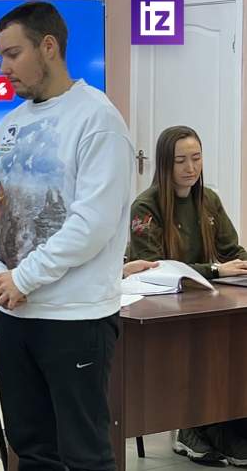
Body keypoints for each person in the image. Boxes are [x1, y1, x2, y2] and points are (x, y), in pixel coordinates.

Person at [0, 1, 134, 470]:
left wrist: (24, 278)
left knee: (85, 454)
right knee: (31, 450)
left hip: (75, 318)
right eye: (1, 56)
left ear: (48, 47)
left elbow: (92, 224)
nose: (4, 68)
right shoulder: (10, 124)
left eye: (13, 54)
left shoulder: (98, 119)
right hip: (14, 313)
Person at [129, 125, 247, 467]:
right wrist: (215, 270)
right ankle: (193, 426)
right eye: (180, 160)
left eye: (196, 158)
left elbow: (232, 251)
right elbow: (153, 268)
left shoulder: (208, 200)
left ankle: (229, 425)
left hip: (209, 302)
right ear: (165, 163)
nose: (190, 168)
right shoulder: (146, 206)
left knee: (235, 343)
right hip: (162, 309)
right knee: (202, 349)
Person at [0, 204, 157, 333]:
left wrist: (119, 272)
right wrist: (26, 285)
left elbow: (63, 263)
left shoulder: (49, 213)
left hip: (41, 311)